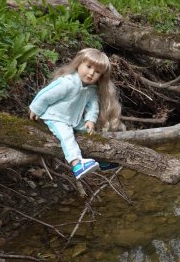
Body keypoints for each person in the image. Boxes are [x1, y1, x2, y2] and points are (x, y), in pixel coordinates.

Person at [29, 48, 122, 179]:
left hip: (74, 119)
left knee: (90, 135)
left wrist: (90, 120)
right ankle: (77, 164)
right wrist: (36, 109)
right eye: (88, 67)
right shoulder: (67, 82)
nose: (91, 73)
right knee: (67, 137)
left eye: (97, 72)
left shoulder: (91, 89)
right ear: (79, 63)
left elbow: (93, 106)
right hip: (56, 117)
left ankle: (100, 160)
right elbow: (46, 95)